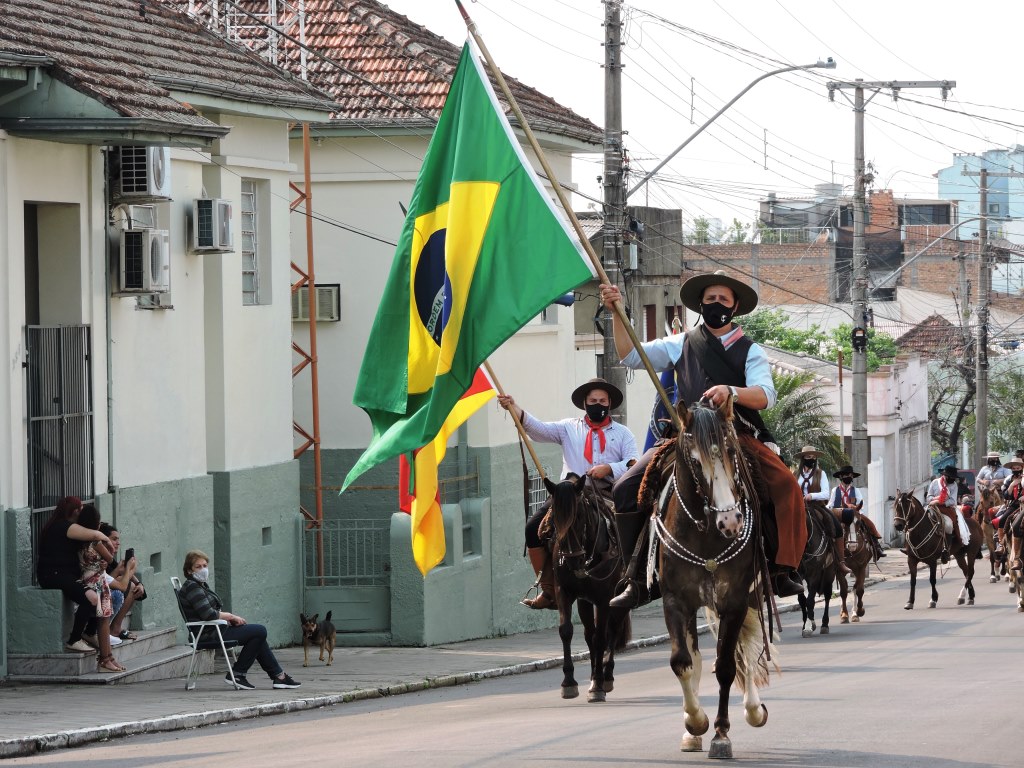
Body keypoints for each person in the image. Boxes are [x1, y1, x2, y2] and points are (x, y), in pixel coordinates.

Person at [600, 271, 808, 606]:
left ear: (735, 306)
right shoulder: (681, 343)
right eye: (710, 299)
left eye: (723, 300)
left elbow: (765, 395)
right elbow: (631, 355)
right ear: (701, 304)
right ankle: (636, 578)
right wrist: (616, 313)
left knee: (786, 484)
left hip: (734, 434)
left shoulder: (749, 350)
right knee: (625, 488)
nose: (716, 305)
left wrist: (732, 392)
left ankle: (783, 569)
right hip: (686, 435)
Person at [497, 378, 639, 609]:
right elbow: (538, 429)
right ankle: (548, 588)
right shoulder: (567, 428)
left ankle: (630, 580)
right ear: (584, 403)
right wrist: (514, 407)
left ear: (610, 403)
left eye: (602, 400)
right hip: (569, 495)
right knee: (533, 527)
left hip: (606, 492)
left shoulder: (623, 433)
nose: (597, 404)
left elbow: (633, 462)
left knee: (629, 528)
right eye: (593, 400)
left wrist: (609, 468)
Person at [177, 550, 300, 690]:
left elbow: (210, 613)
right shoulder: (192, 587)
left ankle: (279, 677)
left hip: (216, 628)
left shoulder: (199, 585)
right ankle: (238, 674)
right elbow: (208, 615)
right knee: (259, 631)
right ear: (189, 570)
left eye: (205, 565)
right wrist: (230, 616)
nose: (203, 570)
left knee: (257, 636)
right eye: (198, 567)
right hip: (207, 634)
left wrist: (228, 619)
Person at [35, 496, 114, 652]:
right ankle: (74, 639)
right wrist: (106, 538)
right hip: (54, 575)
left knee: (98, 596)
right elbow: (94, 535)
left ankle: (89, 633)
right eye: (81, 510)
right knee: (92, 598)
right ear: (76, 511)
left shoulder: (62, 526)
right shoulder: (65, 527)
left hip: (62, 575)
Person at [75, 504, 124, 672]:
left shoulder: (79, 538)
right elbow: (110, 557)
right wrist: (106, 540)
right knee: (103, 620)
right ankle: (106, 658)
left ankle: (108, 657)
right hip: (98, 581)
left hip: (87, 578)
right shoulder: (96, 540)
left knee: (102, 619)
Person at [794, 446, 851, 575]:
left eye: (814, 458)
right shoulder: (795, 474)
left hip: (816, 506)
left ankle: (840, 562)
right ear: (803, 459)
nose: (811, 460)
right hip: (799, 508)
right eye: (808, 457)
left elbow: (826, 494)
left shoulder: (821, 473)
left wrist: (811, 496)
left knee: (836, 527)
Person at [827, 466, 886, 561]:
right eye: (847, 475)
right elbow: (830, 504)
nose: (849, 477)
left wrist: (855, 509)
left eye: (850, 475)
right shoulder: (835, 490)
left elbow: (860, 504)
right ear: (841, 477)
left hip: (854, 514)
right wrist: (834, 510)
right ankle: (827, 549)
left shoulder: (856, 490)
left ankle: (876, 547)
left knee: (868, 523)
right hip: (839, 515)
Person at [99, 523, 145, 641]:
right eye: (114, 539)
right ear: (104, 541)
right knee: (124, 584)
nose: (118, 543)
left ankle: (115, 628)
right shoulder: (97, 556)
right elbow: (103, 581)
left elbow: (128, 578)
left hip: (106, 595)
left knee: (134, 586)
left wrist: (140, 584)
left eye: (118, 540)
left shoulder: (110, 558)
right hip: (97, 594)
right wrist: (127, 569)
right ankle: (107, 630)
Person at [926, 464, 971, 563]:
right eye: (951, 477)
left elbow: (952, 501)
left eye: (954, 478)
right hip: (932, 507)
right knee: (920, 519)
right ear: (945, 475)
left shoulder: (954, 485)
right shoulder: (935, 483)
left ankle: (946, 549)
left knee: (949, 525)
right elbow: (928, 497)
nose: (953, 479)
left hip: (946, 509)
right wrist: (935, 499)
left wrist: (939, 502)